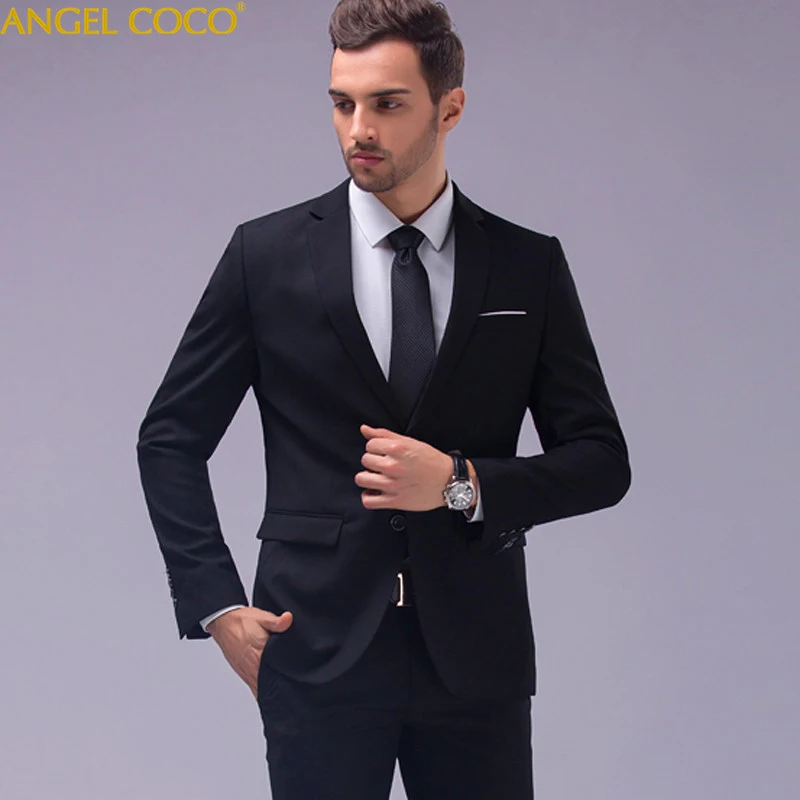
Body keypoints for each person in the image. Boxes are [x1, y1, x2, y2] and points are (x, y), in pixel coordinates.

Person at [136, 0, 631, 797]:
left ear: (450, 108)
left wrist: (462, 483)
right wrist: (216, 604)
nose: (358, 129)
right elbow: (169, 439)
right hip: (314, 646)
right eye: (342, 103)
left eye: (388, 104)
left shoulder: (526, 266)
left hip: (477, 657)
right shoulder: (265, 256)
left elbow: (602, 462)